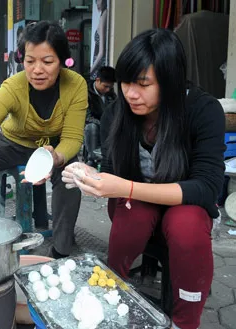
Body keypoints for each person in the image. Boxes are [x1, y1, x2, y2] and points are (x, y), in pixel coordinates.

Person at [62, 29, 225, 329]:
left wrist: (125, 186)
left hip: (188, 210)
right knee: (132, 211)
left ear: (171, 81)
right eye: (125, 82)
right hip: (134, 208)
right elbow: (113, 173)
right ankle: (109, 291)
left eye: (143, 84)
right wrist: (91, 176)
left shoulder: (203, 110)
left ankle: (185, 321)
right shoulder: (117, 115)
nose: (130, 93)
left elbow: (206, 189)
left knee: (185, 223)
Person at [0, 21, 88, 258]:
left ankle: (61, 250)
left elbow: (73, 137)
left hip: (52, 149)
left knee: (71, 178)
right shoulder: (13, 87)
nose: (37, 70)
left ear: (63, 61)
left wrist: (55, 158)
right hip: (12, 146)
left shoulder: (76, 85)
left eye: (47, 61)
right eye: (30, 61)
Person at [84, 66, 116, 167]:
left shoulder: (111, 95)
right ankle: (93, 157)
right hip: (91, 127)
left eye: (110, 87)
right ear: (97, 80)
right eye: (105, 86)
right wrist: (103, 124)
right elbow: (87, 117)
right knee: (91, 127)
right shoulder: (85, 93)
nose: (107, 90)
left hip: (106, 126)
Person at [90, 0, 108, 79]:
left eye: (99, 0)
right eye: (96, 0)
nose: (97, 3)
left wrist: (90, 71)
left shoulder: (105, 15)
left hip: (99, 66)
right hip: (98, 64)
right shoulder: (103, 15)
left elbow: (101, 52)